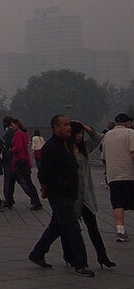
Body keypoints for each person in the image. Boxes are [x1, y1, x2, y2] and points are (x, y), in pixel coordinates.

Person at [28, 115, 94, 276]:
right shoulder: (50, 148)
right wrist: (44, 188)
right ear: (56, 128)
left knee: (56, 227)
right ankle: (81, 263)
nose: (69, 127)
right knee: (72, 227)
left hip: (70, 192)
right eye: (65, 125)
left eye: (68, 125)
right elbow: (44, 173)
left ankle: (37, 253)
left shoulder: (68, 144)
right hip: (58, 193)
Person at [69, 120, 114, 268]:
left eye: (81, 134)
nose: (80, 137)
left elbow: (99, 138)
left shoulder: (85, 148)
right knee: (62, 228)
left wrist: (84, 126)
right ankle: (63, 254)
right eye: (78, 134)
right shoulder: (64, 150)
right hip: (72, 196)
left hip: (86, 195)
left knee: (93, 227)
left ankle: (102, 255)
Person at [100, 112, 134, 242]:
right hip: (130, 175)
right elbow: (133, 153)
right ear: (127, 123)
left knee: (117, 204)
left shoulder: (107, 135)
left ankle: (120, 231)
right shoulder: (130, 133)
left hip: (113, 177)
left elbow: (103, 157)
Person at [9, 119, 42, 210]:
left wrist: (11, 149)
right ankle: (35, 200)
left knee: (23, 182)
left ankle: (34, 200)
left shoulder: (18, 134)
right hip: (24, 160)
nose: (11, 127)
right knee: (27, 181)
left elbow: (19, 147)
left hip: (19, 161)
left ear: (16, 125)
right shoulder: (25, 133)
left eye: (12, 125)